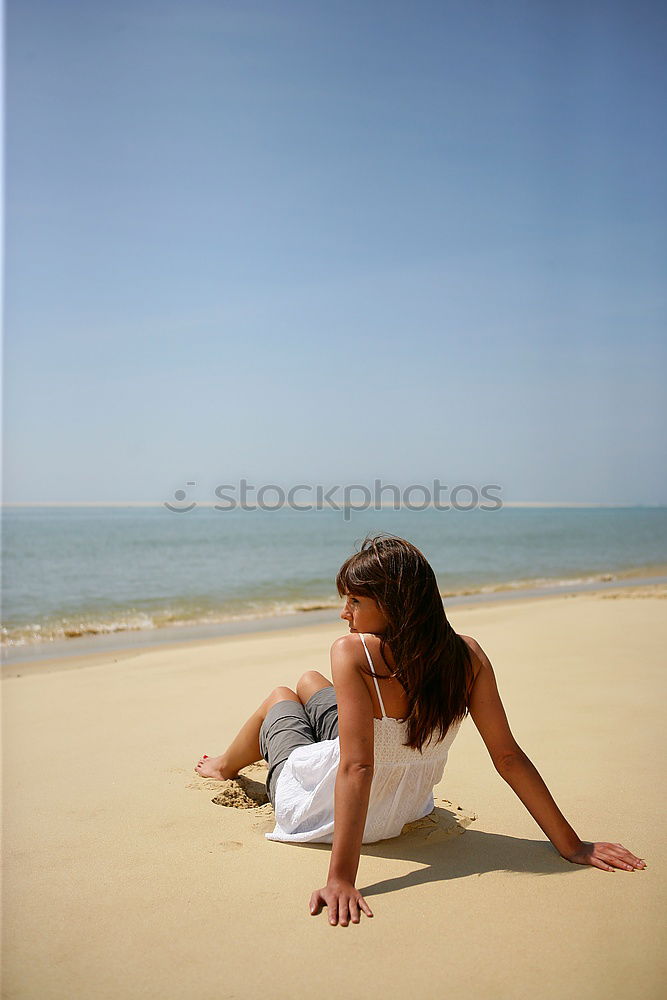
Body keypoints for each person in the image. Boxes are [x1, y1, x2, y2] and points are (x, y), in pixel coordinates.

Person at [195, 535, 646, 927]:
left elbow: (357, 765)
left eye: (354, 601)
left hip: (320, 807)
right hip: (404, 806)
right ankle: (252, 749)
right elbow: (508, 757)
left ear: (393, 605)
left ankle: (223, 766)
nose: (343, 613)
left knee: (280, 695)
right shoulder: (467, 656)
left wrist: (340, 880)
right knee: (311, 681)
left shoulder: (352, 652)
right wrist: (573, 846)